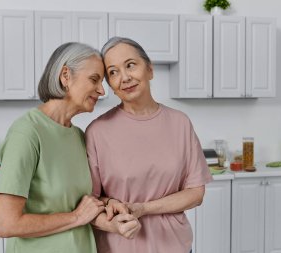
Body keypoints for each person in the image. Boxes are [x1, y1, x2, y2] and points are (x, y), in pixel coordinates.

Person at [85, 37, 213, 253]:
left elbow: (195, 193)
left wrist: (143, 208)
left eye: (130, 65)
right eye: (113, 72)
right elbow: (92, 199)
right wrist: (115, 205)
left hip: (175, 246)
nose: (124, 77)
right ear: (110, 86)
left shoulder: (180, 123)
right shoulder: (97, 132)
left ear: (150, 70)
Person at [0, 42, 106, 253]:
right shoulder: (27, 132)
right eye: (94, 79)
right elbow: (5, 223)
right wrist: (76, 217)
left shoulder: (79, 137)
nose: (102, 90)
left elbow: (84, 203)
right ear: (65, 76)